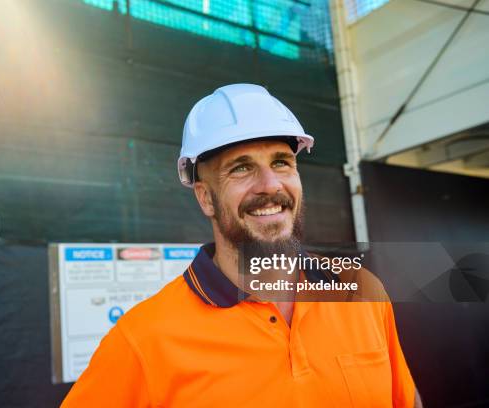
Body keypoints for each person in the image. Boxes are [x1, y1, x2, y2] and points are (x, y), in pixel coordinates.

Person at [61, 84, 422, 407]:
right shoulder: (143, 340)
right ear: (205, 198)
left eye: (282, 162)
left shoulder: (361, 291)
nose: (270, 185)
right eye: (241, 168)